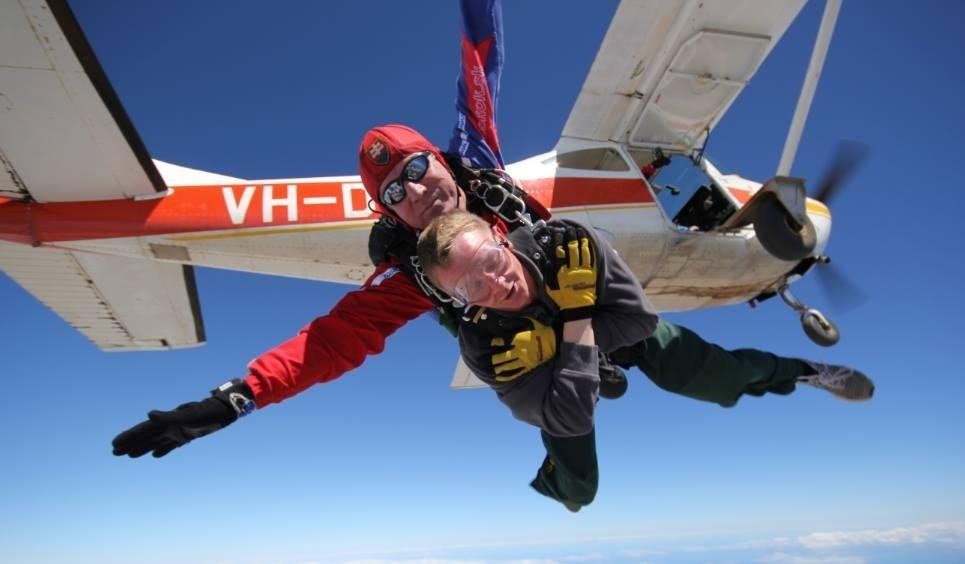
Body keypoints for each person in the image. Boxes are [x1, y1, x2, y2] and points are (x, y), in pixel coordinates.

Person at [112, 0, 873, 508]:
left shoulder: (478, 158)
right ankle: (561, 460)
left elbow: (481, 55)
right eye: (395, 193)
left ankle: (803, 373)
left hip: (594, 306)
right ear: (389, 213)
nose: (416, 191)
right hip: (529, 353)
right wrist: (236, 398)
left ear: (438, 159)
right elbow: (330, 342)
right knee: (578, 490)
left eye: (418, 168)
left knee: (704, 373)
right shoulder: (408, 273)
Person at [416, 209, 874, 510]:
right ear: (460, 300)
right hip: (557, 379)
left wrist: (567, 335)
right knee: (579, 490)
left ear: (501, 238)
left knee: (723, 377)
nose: (496, 284)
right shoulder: (484, 344)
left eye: (490, 260)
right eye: (471, 286)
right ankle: (558, 481)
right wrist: (576, 324)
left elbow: (638, 321)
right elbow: (570, 416)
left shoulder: (568, 245)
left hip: (608, 342)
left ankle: (804, 371)